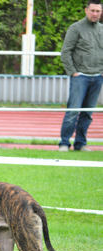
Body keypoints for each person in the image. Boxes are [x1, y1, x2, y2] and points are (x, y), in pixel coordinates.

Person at [59, 0, 103, 152]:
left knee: (88, 113)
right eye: (92, 10)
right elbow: (66, 52)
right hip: (80, 77)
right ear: (86, 10)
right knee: (73, 111)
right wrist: (73, 73)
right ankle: (64, 143)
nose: (95, 14)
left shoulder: (102, 29)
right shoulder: (76, 28)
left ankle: (80, 144)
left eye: (98, 11)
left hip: (98, 77)